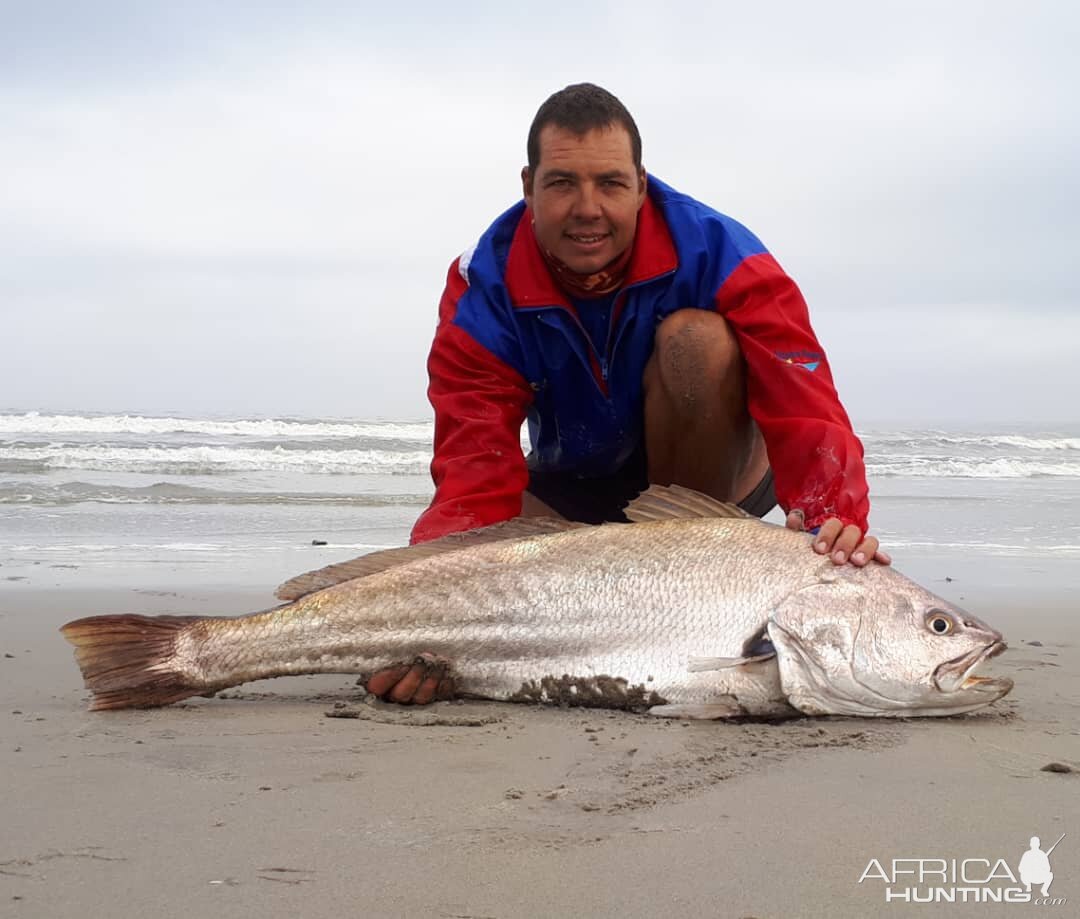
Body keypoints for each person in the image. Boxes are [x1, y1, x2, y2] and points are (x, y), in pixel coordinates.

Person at [368, 82, 887, 704]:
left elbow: (801, 396)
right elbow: (472, 457)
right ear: (528, 185)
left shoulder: (721, 250)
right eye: (562, 183)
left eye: (610, 183)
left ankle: (676, 579)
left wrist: (837, 524)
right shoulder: (485, 282)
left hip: (708, 490)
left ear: (641, 183)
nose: (588, 207)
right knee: (479, 553)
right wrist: (430, 607)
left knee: (697, 340)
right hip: (574, 490)